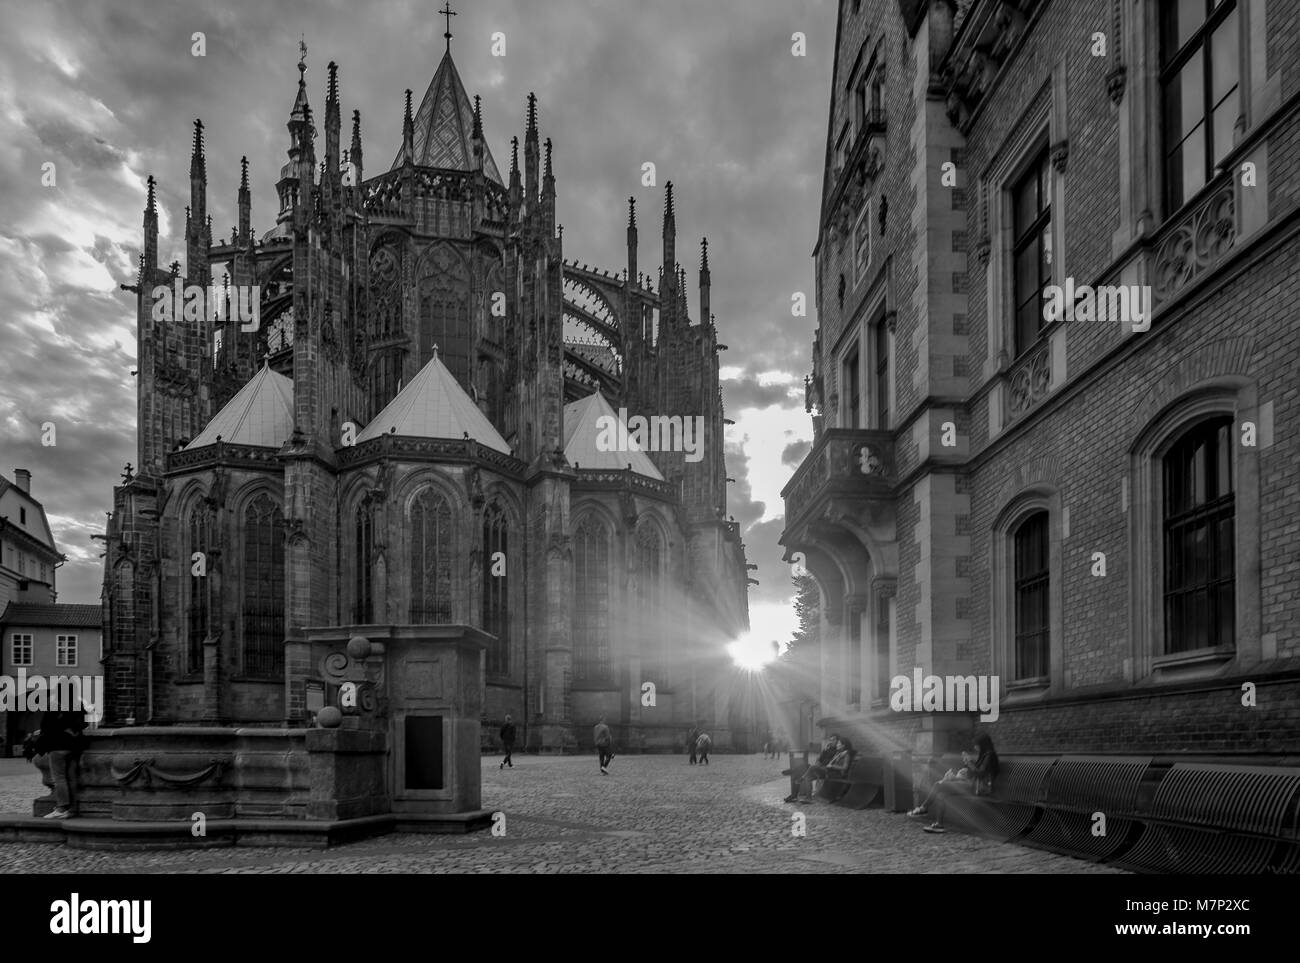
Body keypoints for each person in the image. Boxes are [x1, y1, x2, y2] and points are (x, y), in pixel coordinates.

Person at [908, 731, 999, 833]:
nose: (975, 747)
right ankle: (939, 825)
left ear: (983, 744)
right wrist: (967, 764)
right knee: (941, 794)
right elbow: (974, 772)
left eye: (976, 745)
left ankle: (923, 808)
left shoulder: (990, 756)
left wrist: (969, 763)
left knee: (939, 785)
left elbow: (981, 773)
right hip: (972, 785)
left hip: (978, 788)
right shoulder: (984, 755)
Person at [35, 708, 88, 819]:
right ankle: (72, 809)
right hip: (74, 747)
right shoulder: (77, 705)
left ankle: (62, 808)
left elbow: (45, 726)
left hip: (57, 746)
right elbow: (85, 723)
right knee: (71, 778)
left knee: (59, 778)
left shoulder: (55, 706)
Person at [785, 735, 841, 803]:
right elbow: (819, 759)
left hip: (825, 770)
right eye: (830, 740)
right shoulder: (827, 749)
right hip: (818, 768)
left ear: (838, 741)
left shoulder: (838, 751)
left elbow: (833, 762)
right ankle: (800, 797)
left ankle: (794, 771)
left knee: (807, 770)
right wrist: (824, 751)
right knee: (802, 772)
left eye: (833, 740)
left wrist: (819, 765)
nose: (831, 741)